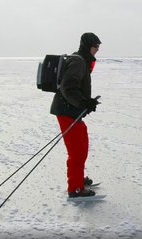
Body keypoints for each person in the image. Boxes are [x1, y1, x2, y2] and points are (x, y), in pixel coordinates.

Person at [50, 32, 101, 198]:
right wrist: (83, 103)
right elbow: (68, 87)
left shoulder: (81, 60)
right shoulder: (79, 61)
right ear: (87, 46)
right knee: (77, 151)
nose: (97, 50)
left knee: (82, 144)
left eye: (98, 47)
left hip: (71, 110)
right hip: (67, 111)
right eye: (95, 47)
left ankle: (78, 178)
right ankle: (76, 188)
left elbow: (74, 88)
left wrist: (87, 102)